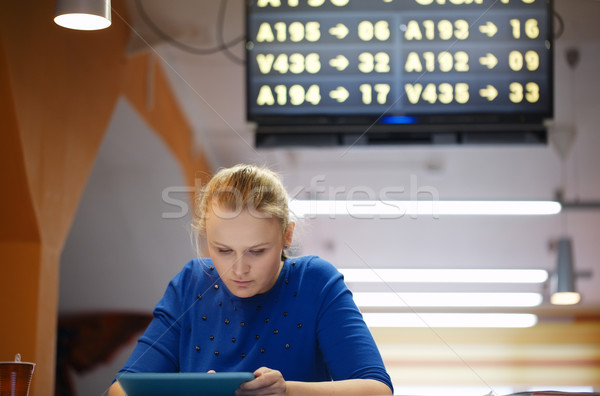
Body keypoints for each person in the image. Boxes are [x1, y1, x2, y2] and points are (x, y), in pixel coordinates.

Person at [108, 164, 393, 396]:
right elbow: (122, 389)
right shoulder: (190, 283)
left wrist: (286, 391)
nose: (239, 269)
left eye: (256, 251)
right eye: (223, 250)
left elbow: (377, 389)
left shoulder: (315, 281)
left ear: (287, 236)